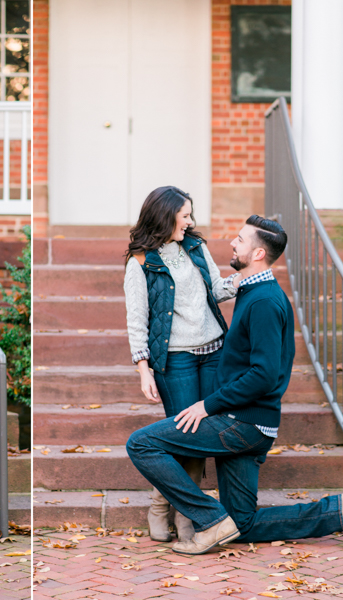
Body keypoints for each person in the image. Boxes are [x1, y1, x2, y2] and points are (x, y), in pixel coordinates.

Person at [126, 216, 343, 555]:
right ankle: (339, 511)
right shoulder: (254, 291)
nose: (232, 243)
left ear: (257, 253)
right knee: (242, 525)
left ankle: (209, 519)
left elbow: (265, 375)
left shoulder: (265, 302)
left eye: (239, 240)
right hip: (248, 422)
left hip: (242, 423)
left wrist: (207, 405)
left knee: (141, 444)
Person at [124, 186, 238, 542]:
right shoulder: (140, 262)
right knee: (183, 434)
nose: (190, 221)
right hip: (176, 360)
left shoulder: (195, 246)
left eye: (190, 214)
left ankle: (178, 510)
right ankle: (167, 509)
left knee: (202, 433)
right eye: (185, 215)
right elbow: (137, 320)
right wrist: (144, 370)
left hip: (214, 350)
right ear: (165, 215)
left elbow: (217, 290)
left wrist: (247, 276)